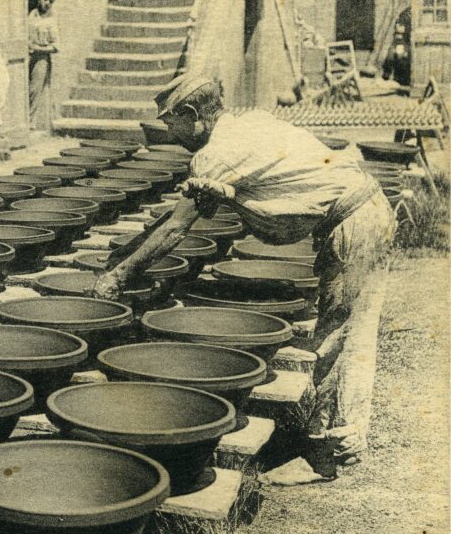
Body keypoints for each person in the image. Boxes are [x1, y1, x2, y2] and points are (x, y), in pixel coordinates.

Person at [90, 73, 396, 481]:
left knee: (343, 337)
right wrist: (127, 253)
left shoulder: (216, 154)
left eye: (171, 124)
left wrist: (118, 277)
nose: (170, 135)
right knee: (343, 331)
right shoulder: (246, 123)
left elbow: (178, 227)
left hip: (355, 222)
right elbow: (173, 218)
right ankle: (324, 441)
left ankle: (330, 455)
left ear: (192, 114)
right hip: (361, 213)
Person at [28, 0, 59, 130]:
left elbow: (56, 46)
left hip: (41, 58)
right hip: (27, 56)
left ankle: (31, 121)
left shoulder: (51, 21)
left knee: (34, 90)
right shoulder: (31, 16)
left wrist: (38, 48)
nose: (47, 3)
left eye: (50, 1)